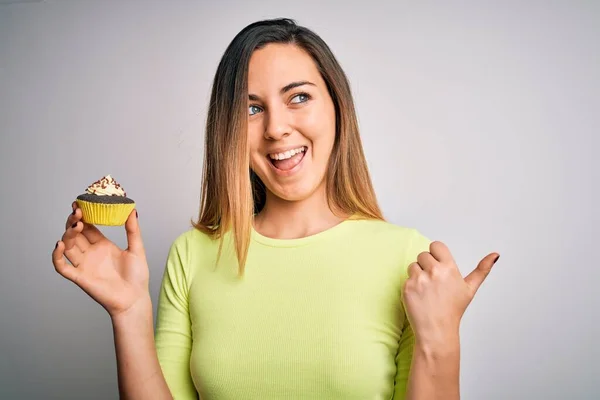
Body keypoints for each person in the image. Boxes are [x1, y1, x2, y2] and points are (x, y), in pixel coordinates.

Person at [52, 18, 499, 400]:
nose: (276, 128)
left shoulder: (407, 257)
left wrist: (441, 338)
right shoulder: (192, 255)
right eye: (251, 108)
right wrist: (129, 313)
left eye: (299, 97)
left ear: (337, 107)